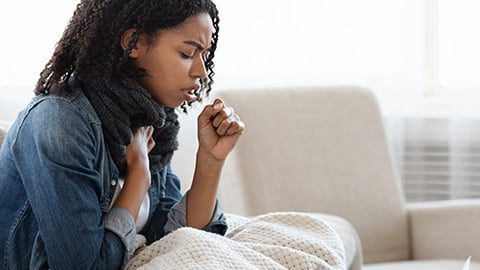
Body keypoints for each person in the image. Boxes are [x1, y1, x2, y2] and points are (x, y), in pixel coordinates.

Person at [0, 0, 245, 269]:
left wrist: (211, 159)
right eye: (188, 53)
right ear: (134, 42)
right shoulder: (59, 123)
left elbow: (175, 239)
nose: (200, 71)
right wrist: (138, 175)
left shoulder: (148, 121)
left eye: (204, 56)